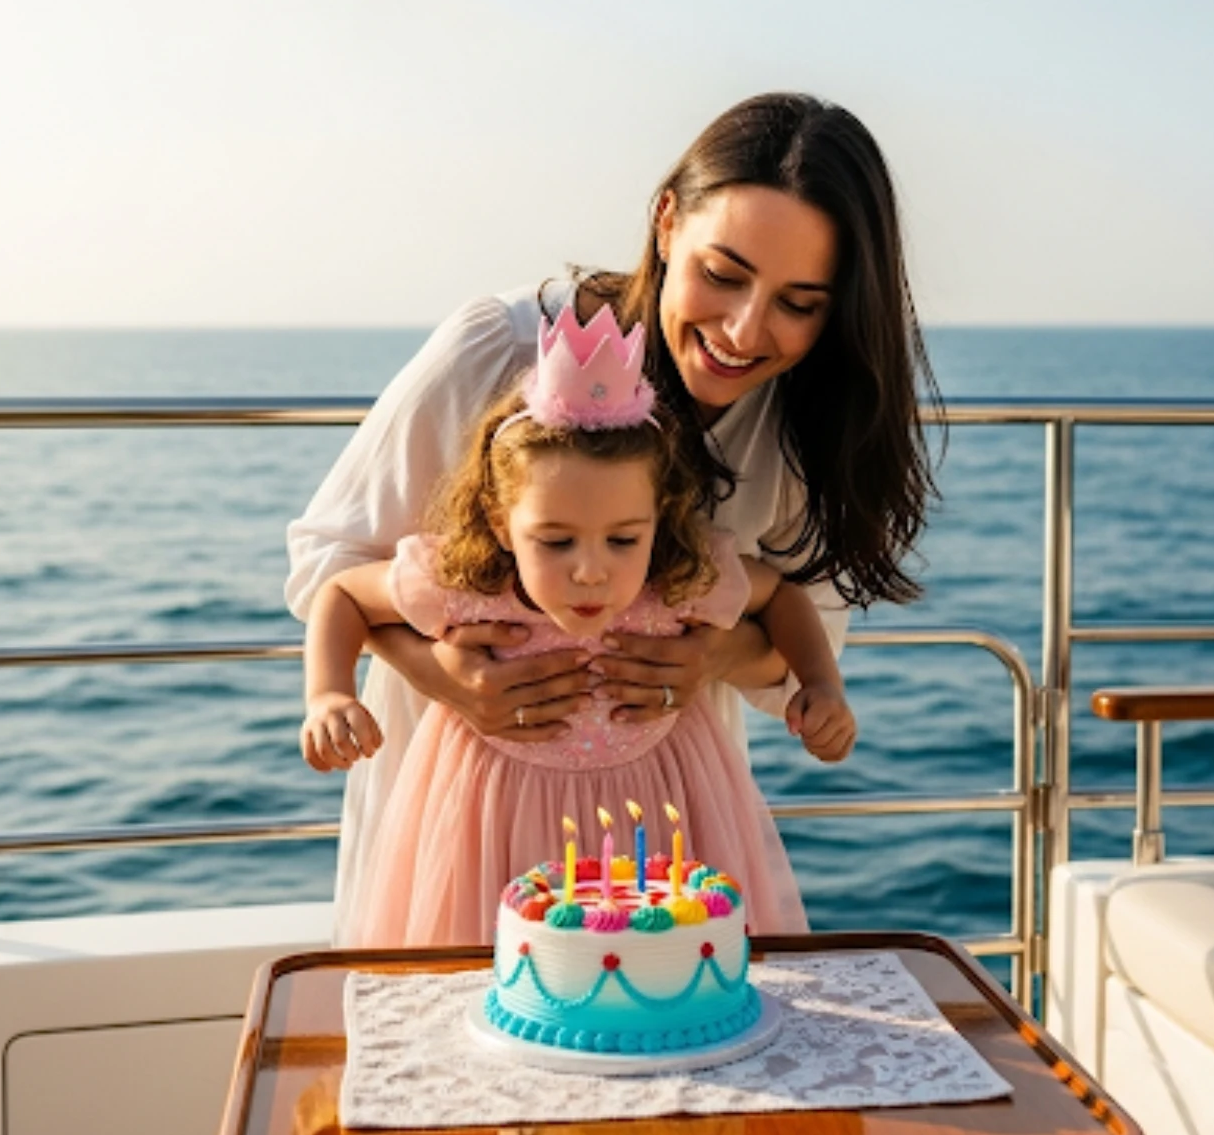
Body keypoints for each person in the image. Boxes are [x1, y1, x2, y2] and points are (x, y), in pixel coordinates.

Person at [286, 91, 937, 943]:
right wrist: (447, 676)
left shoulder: (804, 420)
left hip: (657, 829)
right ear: (667, 223)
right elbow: (331, 565)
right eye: (724, 274)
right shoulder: (498, 348)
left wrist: (705, 656)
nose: (744, 330)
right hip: (456, 815)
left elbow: (801, 622)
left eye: (799, 302)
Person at [300, 305, 850, 942]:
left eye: (622, 539)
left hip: (665, 805)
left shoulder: (678, 580)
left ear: (658, 517)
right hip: (493, 817)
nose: (591, 571)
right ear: (504, 525)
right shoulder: (466, 586)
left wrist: (821, 683)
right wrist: (328, 694)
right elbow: (341, 594)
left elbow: (781, 595)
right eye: (556, 542)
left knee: (664, 966)